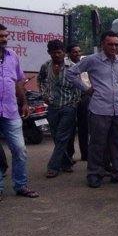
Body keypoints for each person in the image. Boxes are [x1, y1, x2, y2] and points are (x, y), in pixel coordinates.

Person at [67, 31, 118, 188]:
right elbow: (71, 73)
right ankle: (94, 174)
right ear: (102, 44)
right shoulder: (92, 60)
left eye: (116, 44)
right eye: (110, 44)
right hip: (99, 109)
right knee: (97, 144)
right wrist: (86, 89)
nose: (113, 47)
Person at [0, 24, 39, 199]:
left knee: (20, 149)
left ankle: (20, 185)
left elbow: (18, 82)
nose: (4, 38)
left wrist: (24, 102)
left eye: (5, 35)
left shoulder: (12, 56)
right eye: (1, 36)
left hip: (10, 110)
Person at [38, 40, 80, 178]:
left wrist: (75, 102)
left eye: (59, 52)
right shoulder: (46, 66)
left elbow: (79, 86)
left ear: (64, 53)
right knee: (56, 136)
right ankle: (67, 162)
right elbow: (40, 80)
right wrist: (43, 94)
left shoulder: (73, 67)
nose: (56, 55)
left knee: (62, 137)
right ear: (49, 53)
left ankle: (53, 167)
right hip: (52, 106)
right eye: (53, 52)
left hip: (68, 106)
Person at [65, 43, 89, 161]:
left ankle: (85, 153)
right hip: (70, 99)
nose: (78, 54)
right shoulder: (65, 65)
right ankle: (69, 154)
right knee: (70, 128)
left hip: (84, 98)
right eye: (75, 52)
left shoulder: (85, 64)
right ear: (69, 54)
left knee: (84, 127)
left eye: (79, 51)